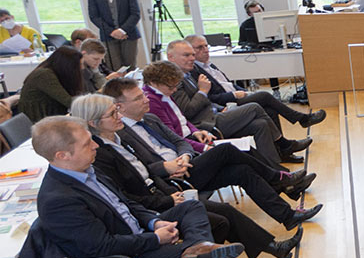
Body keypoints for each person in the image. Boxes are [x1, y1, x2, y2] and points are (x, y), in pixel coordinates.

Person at [30, 116, 269, 258]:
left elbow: (127, 204)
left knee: (192, 208)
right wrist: (156, 239)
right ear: (62, 155)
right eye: (86, 143)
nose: (95, 146)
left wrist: (153, 221)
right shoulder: (58, 199)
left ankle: (200, 246)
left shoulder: (88, 170)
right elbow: (102, 247)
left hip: (140, 235)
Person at [72, 94, 303, 258]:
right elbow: (129, 195)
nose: (118, 115)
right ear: (93, 123)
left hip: (171, 183)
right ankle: (279, 193)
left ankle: (286, 219)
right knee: (223, 208)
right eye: (113, 113)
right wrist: (169, 194)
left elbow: (150, 169)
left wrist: (179, 163)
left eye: (117, 110)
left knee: (242, 171)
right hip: (159, 200)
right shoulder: (100, 155)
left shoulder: (119, 139)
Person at [100, 77, 322, 230]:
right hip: (175, 179)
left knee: (242, 170)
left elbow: (179, 140)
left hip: (189, 163)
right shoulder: (122, 134)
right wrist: (167, 167)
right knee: (226, 149)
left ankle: (288, 215)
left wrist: (186, 155)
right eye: (138, 98)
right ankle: (280, 178)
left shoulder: (148, 119)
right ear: (119, 106)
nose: (145, 99)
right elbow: (143, 168)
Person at [165, 42, 311, 166]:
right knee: (256, 106)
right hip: (206, 125)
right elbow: (188, 111)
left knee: (260, 124)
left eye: (192, 54)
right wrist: (203, 91)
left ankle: (275, 168)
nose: (192, 58)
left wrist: (220, 107)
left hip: (217, 113)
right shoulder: (174, 80)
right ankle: (285, 143)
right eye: (186, 55)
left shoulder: (189, 74)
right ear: (170, 57)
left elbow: (208, 101)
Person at [184, 34, 325, 130]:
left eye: (206, 46)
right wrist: (235, 95)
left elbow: (229, 84)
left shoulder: (209, 65)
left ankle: (282, 149)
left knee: (270, 110)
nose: (205, 50)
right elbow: (209, 98)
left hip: (237, 96)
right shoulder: (195, 71)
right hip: (227, 104)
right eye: (200, 48)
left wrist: (243, 91)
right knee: (264, 95)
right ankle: (301, 119)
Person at [86, 0, 141, 69]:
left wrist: (122, 30)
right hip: (108, 36)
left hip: (129, 34)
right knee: (114, 68)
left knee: (130, 66)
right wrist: (112, 32)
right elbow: (94, 16)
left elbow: (135, 13)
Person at [20, 46, 84, 122]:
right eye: (78, 65)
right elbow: (68, 101)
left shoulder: (52, 72)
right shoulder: (44, 75)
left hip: (48, 116)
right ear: (68, 66)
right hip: (38, 120)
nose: (82, 67)